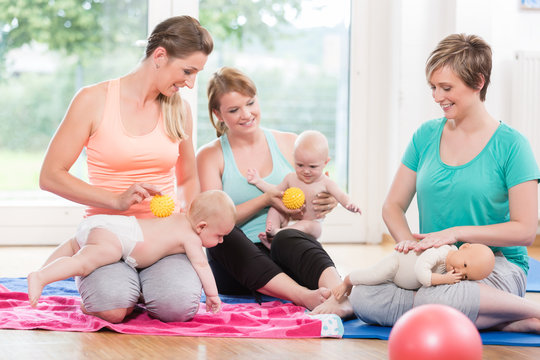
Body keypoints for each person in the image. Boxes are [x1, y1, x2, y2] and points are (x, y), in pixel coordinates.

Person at [315, 33, 540, 333]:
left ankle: (529, 310)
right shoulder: (425, 136)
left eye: (446, 88)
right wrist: (408, 247)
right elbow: (393, 206)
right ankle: (513, 322)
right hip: (436, 266)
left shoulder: (513, 146)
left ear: (478, 82)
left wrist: (456, 233)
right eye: (433, 87)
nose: (436, 97)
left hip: (495, 266)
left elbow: (525, 230)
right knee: (366, 295)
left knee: (433, 298)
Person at [38, 16, 213, 323]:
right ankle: (124, 287)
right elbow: (50, 175)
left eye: (196, 73)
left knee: (177, 308)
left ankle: (144, 285)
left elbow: (187, 177)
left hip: (162, 241)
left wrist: (190, 225)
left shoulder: (179, 110)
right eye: (188, 71)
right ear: (160, 56)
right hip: (109, 238)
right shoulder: (93, 100)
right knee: (112, 308)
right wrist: (116, 200)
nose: (191, 83)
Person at [196, 66, 350, 313]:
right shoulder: (209, 155)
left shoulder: (290, 143)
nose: (247, 114)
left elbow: (319, 186)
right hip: (238, 265)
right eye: (234, 110)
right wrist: (266, 199)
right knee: (224, 235)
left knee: (287, 236)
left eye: (251, 103)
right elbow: (211, 219)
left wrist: (326, 201)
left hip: (282, 255)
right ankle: (303, 297)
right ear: (218, 114)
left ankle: (341, 296)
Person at [28, 190, 236, 314]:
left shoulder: (179, 218)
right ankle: (41, 276)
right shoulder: (190, 237)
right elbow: (201, 265)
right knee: (84, 262)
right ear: (201, 226)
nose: (221, 240)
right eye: (219, 235)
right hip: (120, 238)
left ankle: (42, 269)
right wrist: (212, 294)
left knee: (75, 245)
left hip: (113, 225)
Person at [247, 129, 361, 248]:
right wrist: (258, 181)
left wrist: (349, 204)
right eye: (300, 165)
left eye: (312, 166)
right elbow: (275, 192)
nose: (306, 171)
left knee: (309, 225)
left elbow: (340, 195)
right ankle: (272, 237)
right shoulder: (291, 178)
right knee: (274, 209)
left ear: (325, 162)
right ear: (294, 159)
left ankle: (279, 234)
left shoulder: (326, 182)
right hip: (289, 220)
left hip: (311, 225)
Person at [332, 243, 495, 301]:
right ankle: (348, 280)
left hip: (401, 282)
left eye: (465, 275)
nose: (460, 271)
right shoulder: (440, 252)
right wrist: (443, 279)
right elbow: (420, 271)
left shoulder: (449, 267)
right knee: (375, 275)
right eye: (464, 264)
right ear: (464, 247)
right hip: (396, 264)